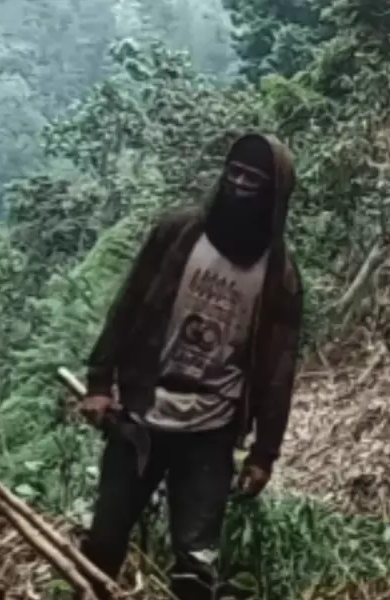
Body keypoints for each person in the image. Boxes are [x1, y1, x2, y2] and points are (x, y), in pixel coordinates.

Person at [79, 133, 303, 599]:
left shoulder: (279, 275)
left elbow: (278, 370)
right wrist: (99, 383)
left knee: (195, 565)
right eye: (235, 172)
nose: (240, 185)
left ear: (274, 195)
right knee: (103, 543)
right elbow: (128, 305)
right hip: (141, 410)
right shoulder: (177, 234)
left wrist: (264, 453)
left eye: (255, 180)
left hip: (211, 428)